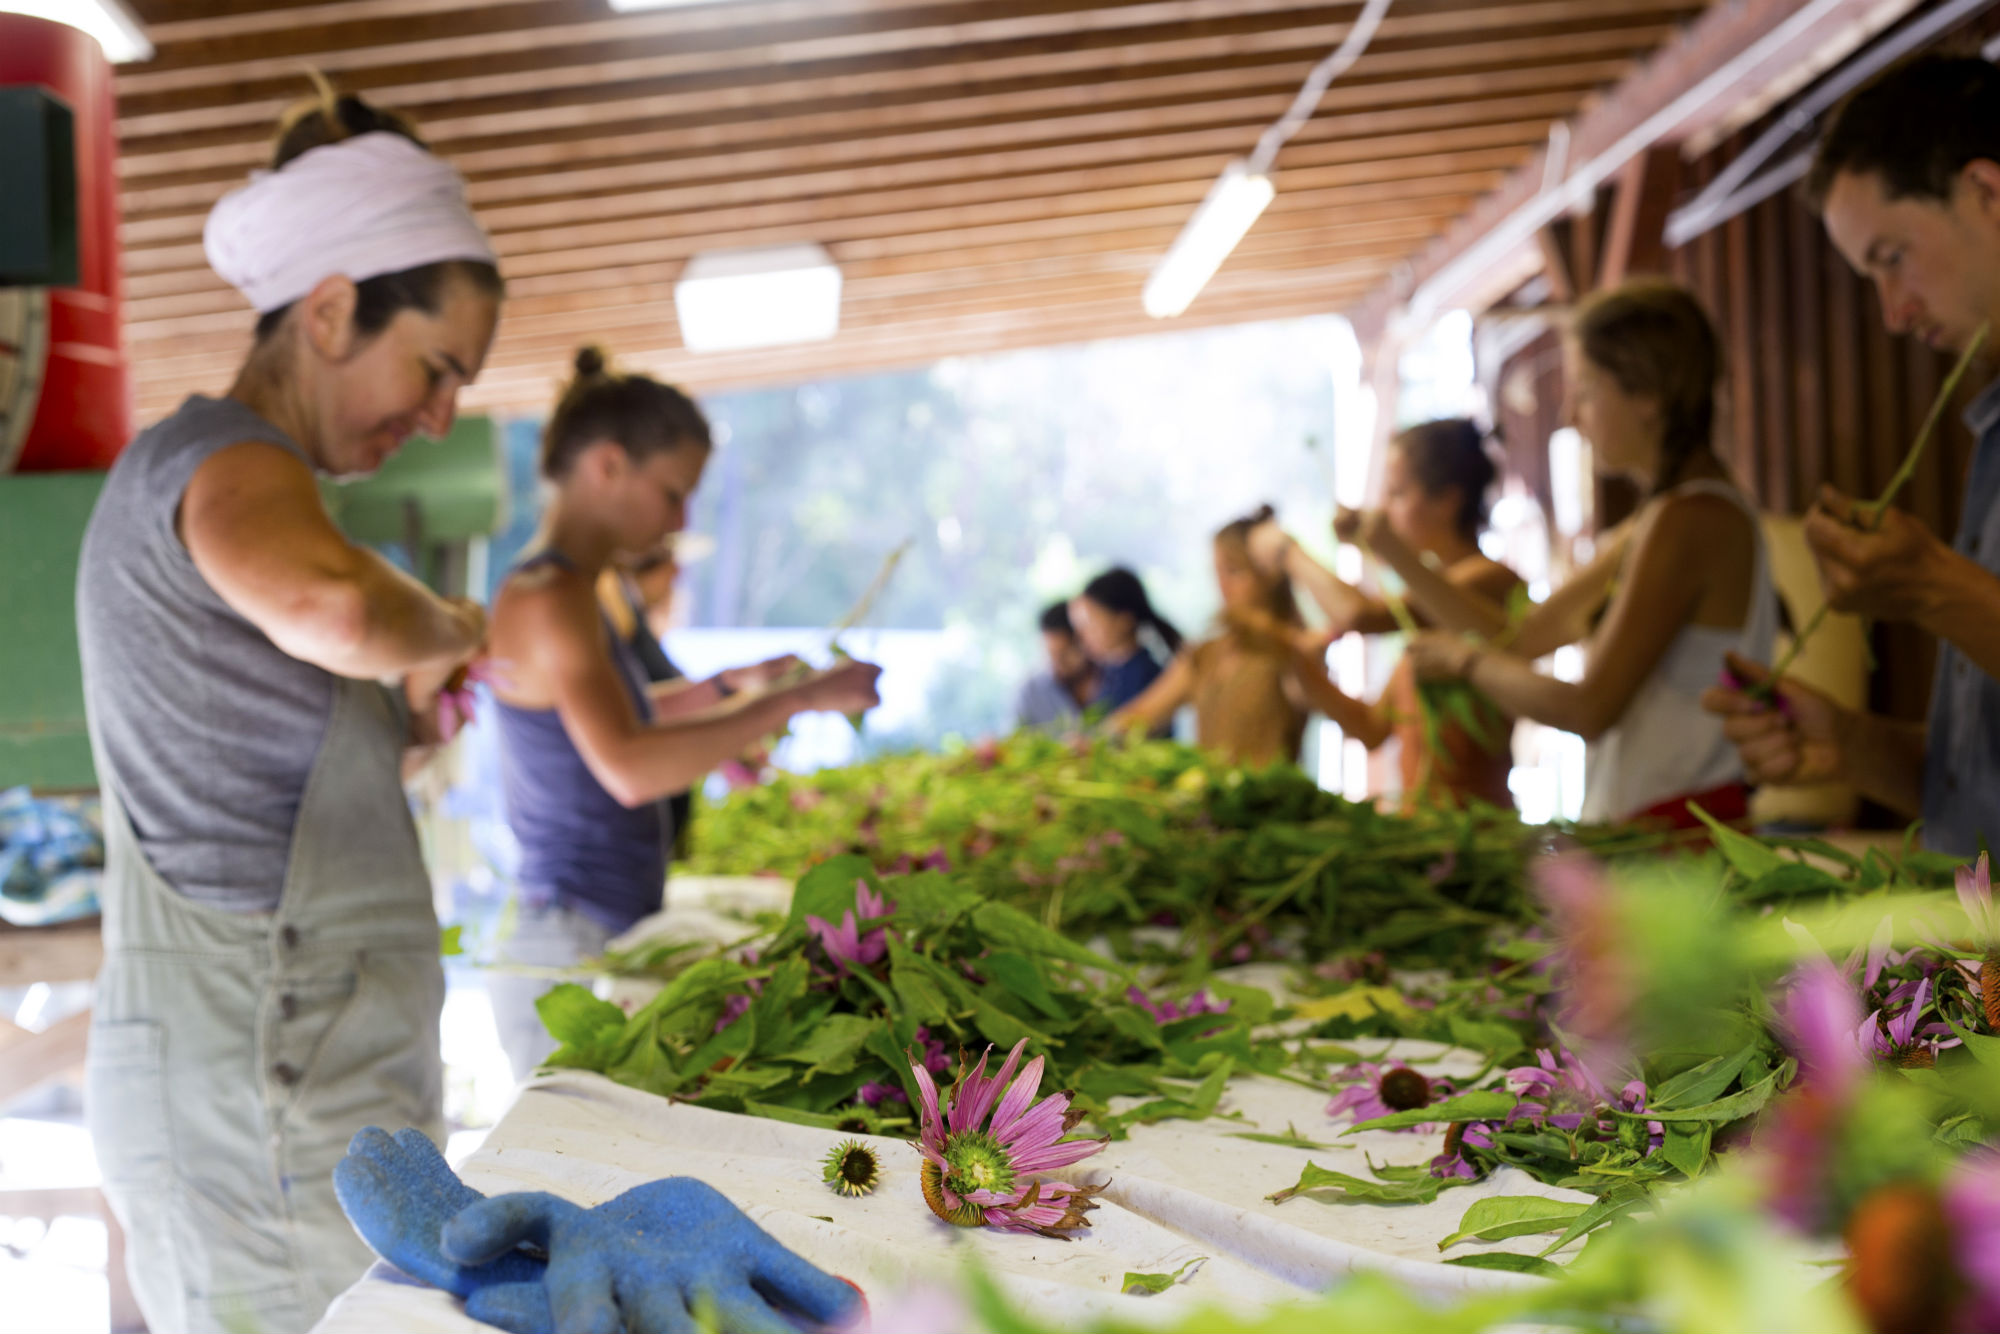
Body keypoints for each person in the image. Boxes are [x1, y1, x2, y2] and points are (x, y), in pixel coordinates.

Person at [75, 89, 502, 1332]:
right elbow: (337, 609)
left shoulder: (250, 485)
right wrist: (456, 627)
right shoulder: (221, 455)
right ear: (329, 309)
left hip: (295, 1080)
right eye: (434, 368)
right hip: (258, 1091)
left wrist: (389, 727)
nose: (438, 418)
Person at [485, 347, 882, 1080]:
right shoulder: (549, 598)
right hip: (563, 946)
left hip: (593, 925)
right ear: (608, 466)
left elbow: (616, 717)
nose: (680, 517)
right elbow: (629, 766)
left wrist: (729, 686)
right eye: (672, 492)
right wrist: (797, 698)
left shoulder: (578, 590)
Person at [1704, 54, 2000, 856]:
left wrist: (1938, 590)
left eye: (1892, 257)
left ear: (1987, 194)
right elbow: (1976, 800)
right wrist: (1843, 744)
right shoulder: (1989, 433)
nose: (1894, 316)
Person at [1389, 281, 1778, 827]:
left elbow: (1589, 708)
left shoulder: (1692, 519)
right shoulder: (1655, 520)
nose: (1574, 413)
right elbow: (1520, 638)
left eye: (1588, 390)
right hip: (1649, 825)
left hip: (1683, 834)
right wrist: (1389, 549)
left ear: (1648, 395)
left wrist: (1465, 662)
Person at [1250, 421, 1522, 806]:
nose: (1381, 510)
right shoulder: (1424, 610)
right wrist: (1296, 659)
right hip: (1427, 827)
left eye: (1396, 493)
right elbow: (1373, 729)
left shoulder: (1487, 580)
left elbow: (1360, 615)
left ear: (1446, 499)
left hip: (1477, 828)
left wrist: (1287, 553)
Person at [1111, 506, 1310, 767]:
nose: (1222, 585)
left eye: (1234, 571)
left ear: (1270, 574)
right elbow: (1140, 716)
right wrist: (1090, 742)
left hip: (1272, 802)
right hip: (1208, 802)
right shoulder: (1206, 654)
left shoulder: (1295, 649)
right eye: (1217, 572)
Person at [1070, 567, 1183, 717]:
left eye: (1091, 625)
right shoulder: (1109, 671)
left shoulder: (1146, 675)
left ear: (1124, 621)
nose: (1083, 637)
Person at [1016, 600, 1098, 732]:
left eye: (1064, 655)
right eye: (1051, 655)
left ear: (1086, 642)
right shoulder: (1031, 692)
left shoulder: (1111, 677)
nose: (1056, 665)